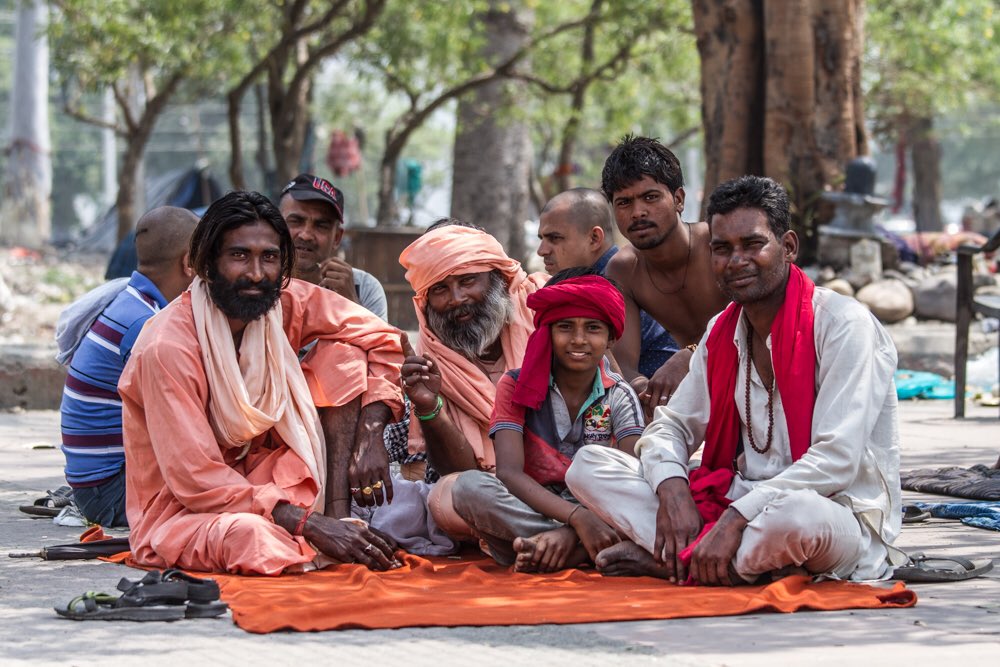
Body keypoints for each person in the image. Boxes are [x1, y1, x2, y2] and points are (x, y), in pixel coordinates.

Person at [566, 175, 905, 585]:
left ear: (789, 247)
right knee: (588, 465)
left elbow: (836, 461)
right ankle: (727, 562)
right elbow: (672, 426)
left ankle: (682, 561)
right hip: (737, 497)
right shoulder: (722, 331)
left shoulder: (843, 325)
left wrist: (736, 518)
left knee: (799, 518)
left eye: (753, 245)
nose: (736, 260)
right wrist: (671, 487)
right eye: (722, 249)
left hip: (833, 512)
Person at [119, 191, 405, 575]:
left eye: (269, 257)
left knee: (345, 354)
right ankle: (317, 534)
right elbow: (196, 479)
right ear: (206, 263)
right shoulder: (167, 347)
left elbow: (386, 339)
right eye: (239, 256)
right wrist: (307, 524)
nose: (256, 274)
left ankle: (338, 514)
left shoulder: (282, 303)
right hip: (186, 508)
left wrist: (372, 436)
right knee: (252, 537)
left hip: (267, 481)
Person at [449, 269, 645, 571]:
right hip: (536, 506)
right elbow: (510, 474)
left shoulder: (619, 395)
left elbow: (632, 480)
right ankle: (575, 549)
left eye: (593, 328)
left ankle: (550, 550)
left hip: (600, 509)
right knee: (468, 487)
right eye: (565, 327)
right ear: (547, 332)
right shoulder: (514, 385)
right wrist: (576, 520)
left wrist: (575, 525)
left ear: (611, 338)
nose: (578, 340)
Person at [397, 222, 547, 536]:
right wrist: (429, 406)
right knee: (447, 496)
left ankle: (542, 533)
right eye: (440, 289)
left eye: (467, 281)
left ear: (497, 280)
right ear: (425, 301)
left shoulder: (543, 309)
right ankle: (558, 533)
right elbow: (460, 471)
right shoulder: (429, 357)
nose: (456, 298)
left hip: (565, 471)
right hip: (496, 491)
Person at [59, 206, 198, 527]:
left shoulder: (131, 301)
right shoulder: (146, 324)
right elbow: (181, 421)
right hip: (108, 493)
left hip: (98, 483)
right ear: (189, 262)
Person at [602, 135, 730, 418]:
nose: (638, 212)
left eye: (650, 197)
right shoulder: (622, 270)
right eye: (624, 202)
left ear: (679, 199)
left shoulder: (718, 245)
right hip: (701, 395)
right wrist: (644, 390)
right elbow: (625, 365)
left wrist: (691, 355)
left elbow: (758, 327)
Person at [537, 187, 679, 379]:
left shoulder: (612, 285)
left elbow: (616, 377)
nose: (542, 250)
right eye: (542, 239)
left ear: (595, 238)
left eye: (554, 238)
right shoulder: (590, 282)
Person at [280, 173, 388, 320]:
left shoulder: (363, 288)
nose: (306, 235)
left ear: (337, 237)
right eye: (296, 221)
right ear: (276, 226)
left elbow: (380, 342)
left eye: (321, 226)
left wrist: (350, 303)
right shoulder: (258, 281)